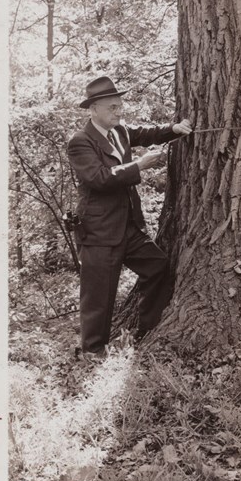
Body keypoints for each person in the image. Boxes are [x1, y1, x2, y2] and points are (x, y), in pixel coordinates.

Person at [67, 75, 192, 357]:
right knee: (98, 299)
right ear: (94, 109)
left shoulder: (120, 130)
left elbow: (147, 133)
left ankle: (145, 331)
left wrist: (174, 128)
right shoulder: (80, 141)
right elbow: (99, 179)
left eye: (120, 106)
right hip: (98, 233)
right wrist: (140, 164)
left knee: (159, 267)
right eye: (112, 107)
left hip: (128, 228)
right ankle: (92, 354)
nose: (119, 111)